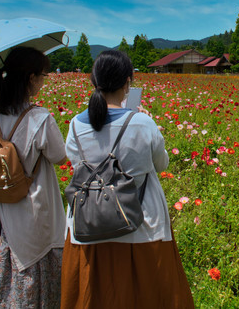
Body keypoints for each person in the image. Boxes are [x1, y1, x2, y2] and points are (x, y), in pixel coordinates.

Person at [61, 50, 194, 308]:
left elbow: (77, 165)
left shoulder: (76, 124)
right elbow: (161, 164)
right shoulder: (142, 123)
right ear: (127, 83)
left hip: (89, 223)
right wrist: (145, 120)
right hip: (138, 224)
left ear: (94, 81)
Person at [0, 46, 67, 308]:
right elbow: (60, 156)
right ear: (31, 78)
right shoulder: (39, 118)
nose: (44, 81)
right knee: (29, 262)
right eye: (43, 75)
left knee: (2, 263)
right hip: (28, 206)